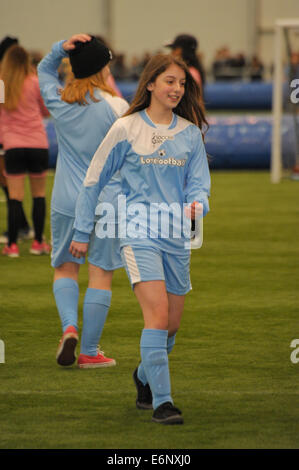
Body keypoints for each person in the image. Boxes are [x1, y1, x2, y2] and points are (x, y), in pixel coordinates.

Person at [69, 53, 211, 424]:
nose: (177, 89)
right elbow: (93, 180)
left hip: (176, 237)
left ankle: (143, 374)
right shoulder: (126, 128)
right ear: (150, 84)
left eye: (181, 83)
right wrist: (82, 232)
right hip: (136, 233)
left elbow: (199, 186)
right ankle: (163, 403)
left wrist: (198, 205)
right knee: (157, 315)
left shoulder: (191, 134)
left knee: (172, 324)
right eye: (169, 82)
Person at [37, 34, 129, 368]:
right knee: (101, 274)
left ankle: (69, 328)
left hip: (66, 199)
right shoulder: (117, 107)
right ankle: (90, 352)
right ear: (103, 68)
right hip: (107, 202)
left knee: (64, 269)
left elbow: (43, 70)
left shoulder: (59, 100)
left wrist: (61, 46)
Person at [0, 44, 50, 258]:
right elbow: (46, 110)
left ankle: (12, 245)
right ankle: (38, 242)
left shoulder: (2, 85)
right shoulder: (35, 83)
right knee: (39, 195)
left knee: (15, 197)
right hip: (38, 144)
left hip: (12, 145)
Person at [0, 36, 33, 245]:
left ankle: (21, 228)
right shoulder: (29, 77)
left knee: (9, 186)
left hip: (7, 139)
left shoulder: (5, 79)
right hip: (21, 138)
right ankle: (24, 227)